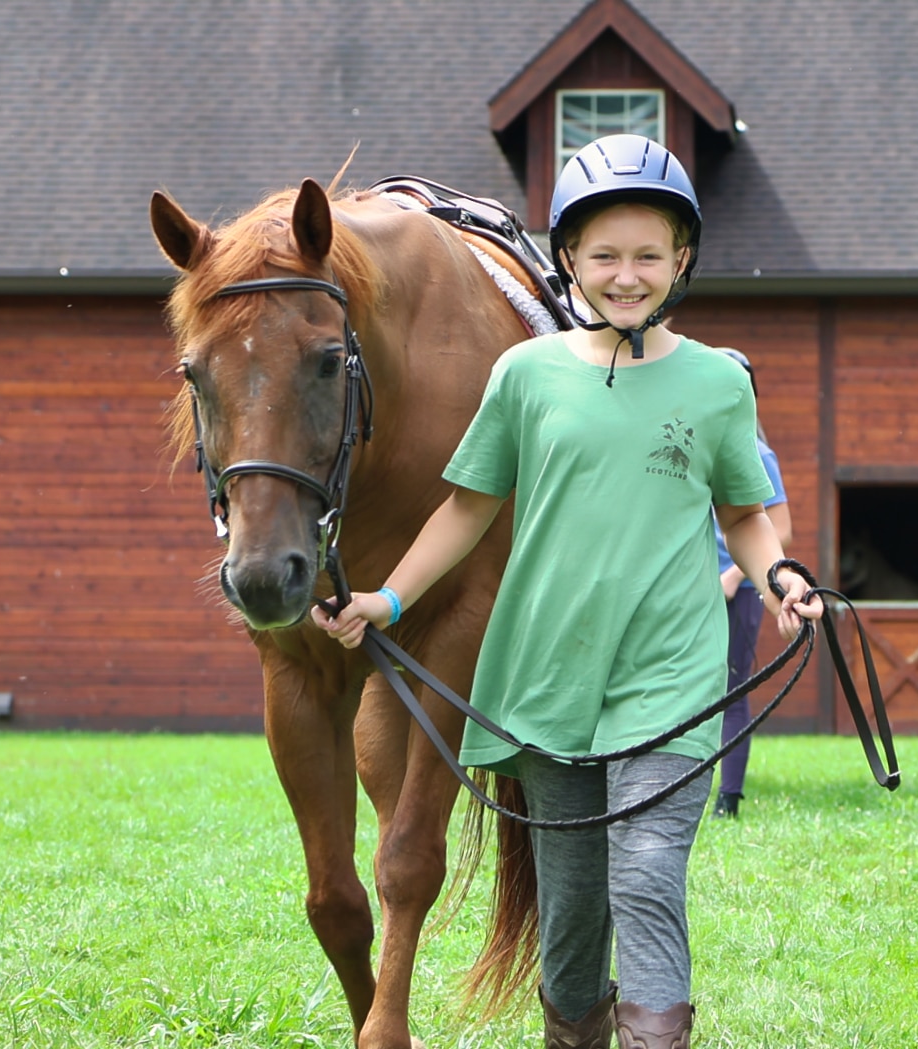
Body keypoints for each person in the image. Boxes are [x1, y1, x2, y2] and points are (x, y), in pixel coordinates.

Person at [313, 133, 822, 1049]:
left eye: (647, 256)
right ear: (569, 262)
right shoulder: (524, 377)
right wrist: (387, 601)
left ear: (681, 262)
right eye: (605, 257)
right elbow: (465, 512)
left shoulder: (715, 383)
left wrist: (778, 570)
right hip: (546, 680)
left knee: (649, 873)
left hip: (669, 676)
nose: (627, 276)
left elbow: (746, 512)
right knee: (574, 912)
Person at [711, 348, 794, 820]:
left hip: (737, 590)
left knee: (732, 688)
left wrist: (735, 573)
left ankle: (730, 797)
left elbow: (779, 529)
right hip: (692, 587)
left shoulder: (759, 454)